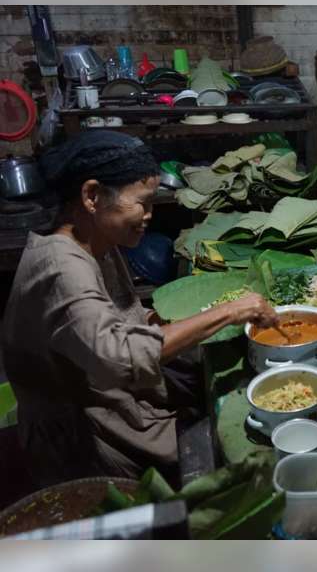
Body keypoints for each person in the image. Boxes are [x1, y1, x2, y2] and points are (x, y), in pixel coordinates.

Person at [1, 131, 279, 487]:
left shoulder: (96, 242)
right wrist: (229, 311)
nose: (149, 215)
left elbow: (122, 316)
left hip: (109, 397)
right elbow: (118, 357)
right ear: (92, 196)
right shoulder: (61, 268)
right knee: (221, 459)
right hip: (85, 433)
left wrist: (180, 321)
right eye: (142, 203)